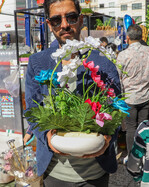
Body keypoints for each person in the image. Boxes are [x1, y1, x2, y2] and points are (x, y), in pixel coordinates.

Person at [25, 0, 121, 186]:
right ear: (49, 24)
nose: (64, 24)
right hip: (55, 172)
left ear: (81, 19)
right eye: (56, 19)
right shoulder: (38, 62)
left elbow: (116, 109)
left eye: (71, 17)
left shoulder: (102, 62)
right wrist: (47, 137)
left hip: (95, 171)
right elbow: (32, 110)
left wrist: (109, 137)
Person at [116, 24, 149, 155]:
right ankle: (144, 154)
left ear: (127, 38)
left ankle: (132, 156)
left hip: (129, 98)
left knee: (131, 128)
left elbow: (118, 77)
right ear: (141, 36)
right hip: (145, 95)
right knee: (144, 126)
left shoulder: (123, 55)